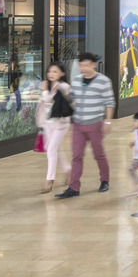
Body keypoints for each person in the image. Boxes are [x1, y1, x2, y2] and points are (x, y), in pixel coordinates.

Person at [56, 52, 115, 199]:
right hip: (78, 124)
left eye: (87, 65)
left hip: (95, 124)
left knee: (98, 154)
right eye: (81, 65)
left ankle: (105, 180)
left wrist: (107, 121)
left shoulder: (103, 81)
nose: (84, 68)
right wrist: (62, 92)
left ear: (94, 65)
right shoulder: (76, 80)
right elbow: (73, 99)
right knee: (76, 156)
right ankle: (73, 187)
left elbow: (109, 102)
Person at [36, 62, 72, 194]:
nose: (51, 74)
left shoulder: (63, 86)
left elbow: (50, 100)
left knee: (51, 149)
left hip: (60, 124)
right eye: (50, 71)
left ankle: (49, 180)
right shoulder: (48, 85)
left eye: (55, 72)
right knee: (52, 149)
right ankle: (68, 170)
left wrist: (44, 90)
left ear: (62, 73)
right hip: (47, 123)